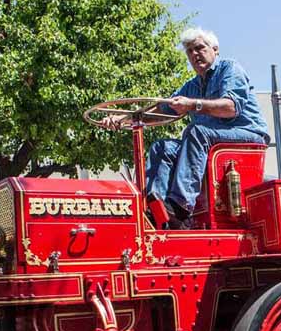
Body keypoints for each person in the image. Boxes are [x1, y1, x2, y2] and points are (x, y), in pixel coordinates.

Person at [110, 27, 269, 227]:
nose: (195, 54)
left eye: (200, 48)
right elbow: (162, 110)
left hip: (247, 135)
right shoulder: (192, 86)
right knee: (163, 147)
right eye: (190, 52)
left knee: (196, 132)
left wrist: (193, 105)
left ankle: (180, 207)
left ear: (215, 49)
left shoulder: (230, 69)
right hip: (210, 140)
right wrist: (123, 119)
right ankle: (155, 209)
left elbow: (231, 108)